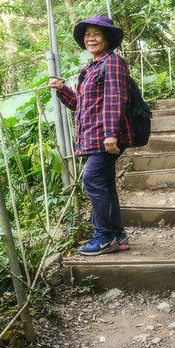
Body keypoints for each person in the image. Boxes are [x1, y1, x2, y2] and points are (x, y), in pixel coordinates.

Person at [49, 14, 133, 256]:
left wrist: (111, 134)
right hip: (93, 137)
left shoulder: (113, 63)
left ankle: (103, 236)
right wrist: (63, 89)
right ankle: (118, 235)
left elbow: (116, 98)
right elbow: (80, 104)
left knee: (92, 181)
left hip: (104, 138)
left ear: (106, 38)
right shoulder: (91, 68)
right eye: (87, 35)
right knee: (104, 184)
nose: (91, 38)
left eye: (96, 34)